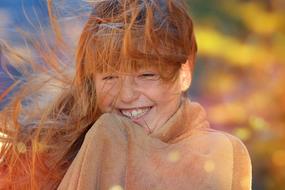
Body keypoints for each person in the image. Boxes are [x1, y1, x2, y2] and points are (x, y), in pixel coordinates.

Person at [0, 0, 252, 189]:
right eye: (109, 77)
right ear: (92, 81)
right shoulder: (61, 150)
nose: (127, 96)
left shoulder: (218, 153)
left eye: (146, 75)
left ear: (184, 72)